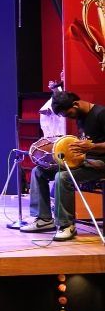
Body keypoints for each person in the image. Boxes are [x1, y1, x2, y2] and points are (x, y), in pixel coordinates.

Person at [21, 91, 105, 241]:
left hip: (100, 164)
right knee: (38, 171)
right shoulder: (80, 117)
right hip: (83, 161)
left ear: (75, 104)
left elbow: (91, 145)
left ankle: (66, 225)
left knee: (63, 176)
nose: (69, 118)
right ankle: (44, 219)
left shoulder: (101, 114)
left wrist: (92, 147)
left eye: (69, 114)